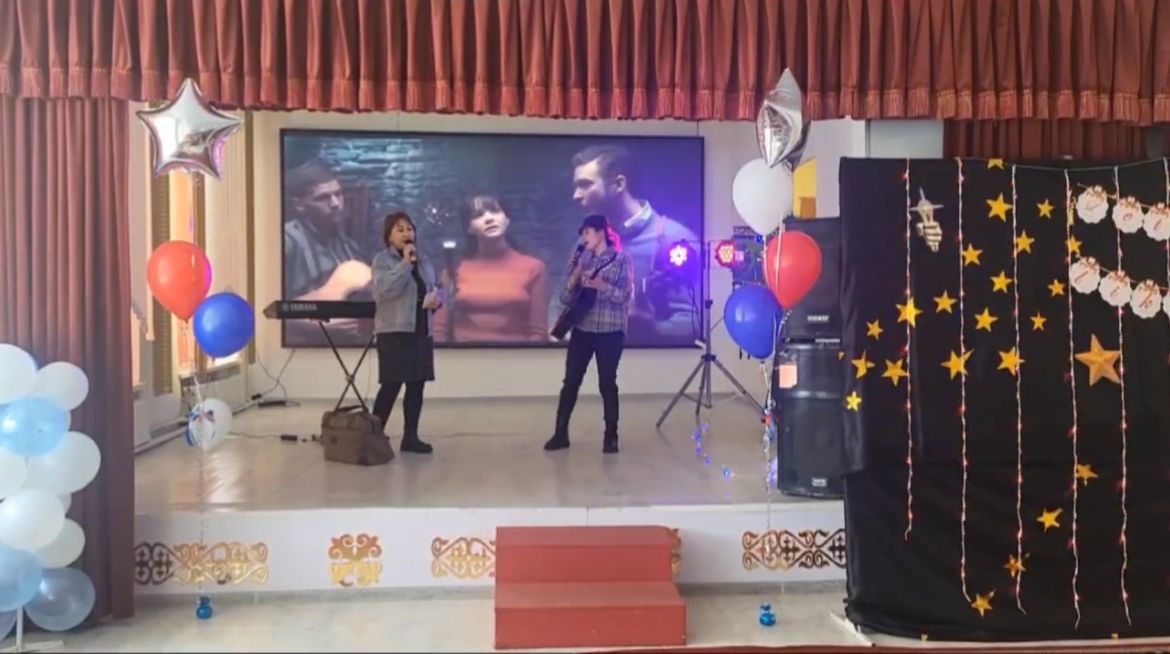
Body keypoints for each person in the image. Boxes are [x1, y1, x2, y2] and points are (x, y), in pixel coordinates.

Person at [570, 145, 699, 343]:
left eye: (585, 185)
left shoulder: (673, 240)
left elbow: (694, 321)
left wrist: (651, 329)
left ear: (618, 184)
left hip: (650, 360)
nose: (576, 195)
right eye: (576, 186)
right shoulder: (586, 242)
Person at [545, 215, 635, 454]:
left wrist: (603, 287)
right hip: (582, 330)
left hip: (610, 331)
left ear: (601, 232)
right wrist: (575, 273)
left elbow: (626, 296)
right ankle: (560, 433)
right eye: (582, 234)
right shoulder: (582, 261)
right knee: (570, 382)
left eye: (587, 232)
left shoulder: (621, 259)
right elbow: (564, 298)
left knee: (607, 383)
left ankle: (611, 435)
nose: (583, 238)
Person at [371, 212, 443, 455]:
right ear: (389, 236)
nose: (406, 234)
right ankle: (373, 437)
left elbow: (436, 287)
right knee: (391, 386)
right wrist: (405, 263)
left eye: (409, 229)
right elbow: (384, 290)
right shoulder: (382, 260)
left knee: (416, 386)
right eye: (399, 229)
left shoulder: (423, 260)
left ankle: (410, 438)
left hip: (421, 330)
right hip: (394, 332)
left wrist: (438, 300)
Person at [433, 193, 549, 343]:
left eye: (495, 211)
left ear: (507, 219)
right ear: (469, 228)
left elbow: (538, 332)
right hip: (463, 355)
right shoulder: (451, 272)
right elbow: (438, 329)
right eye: (478, 215)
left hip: (518, 355)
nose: (489, 218)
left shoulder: (534, 268)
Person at [283, 159, 371, 344]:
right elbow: (263, 308)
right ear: (299, 205)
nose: (335, 203)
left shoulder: (348, 246)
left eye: (338, 194)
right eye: (323, 198)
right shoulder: (287, 241)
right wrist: (312, 325)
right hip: (303, 351)